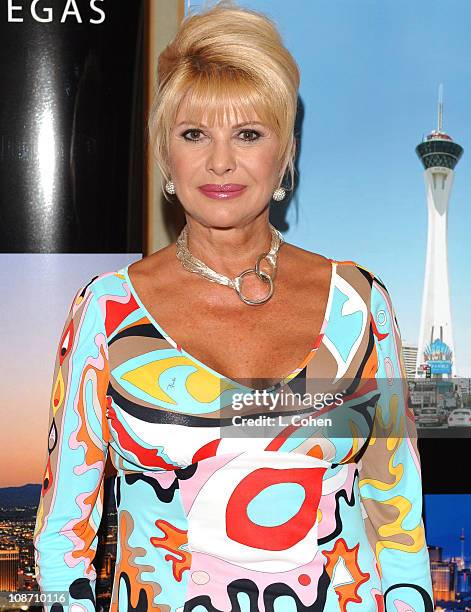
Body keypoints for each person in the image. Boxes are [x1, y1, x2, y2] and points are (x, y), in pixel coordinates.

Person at [33, 1, 434, 610]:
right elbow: (64, 542)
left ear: (285, 153)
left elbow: (398, 521)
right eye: (194, 134)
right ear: (166, 156)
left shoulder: (361, 305)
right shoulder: (106, 313)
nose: (220, 161)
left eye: (248, 133)